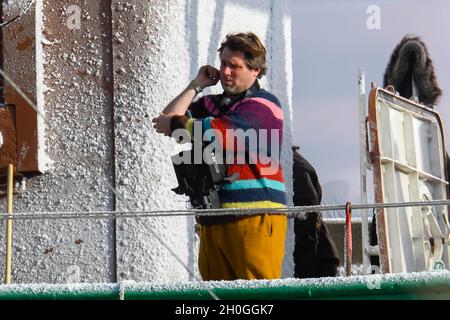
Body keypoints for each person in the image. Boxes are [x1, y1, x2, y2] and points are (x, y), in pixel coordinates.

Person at [152, 32, 287, 280]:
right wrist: (196, 85)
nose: (225, 71)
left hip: (254, 214)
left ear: (255, 71)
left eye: (234, 66)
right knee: (216, 296)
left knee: (257, 297)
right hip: (213, 216)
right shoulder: (212, 105)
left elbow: (223, 133)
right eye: (223, 63)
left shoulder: (265, 104)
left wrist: (178, 125)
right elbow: (166, 119)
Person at [292, 146, 339, 278]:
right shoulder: (295, 164)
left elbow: (308, 212)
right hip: (319, 253)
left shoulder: (293, 166)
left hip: (313, 258)